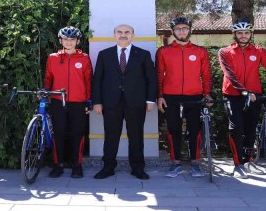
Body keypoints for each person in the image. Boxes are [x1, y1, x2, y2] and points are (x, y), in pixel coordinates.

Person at [218, 18, 266, 179]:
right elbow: (229, 75)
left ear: (251, 34)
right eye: (240, 33)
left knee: (251, 129)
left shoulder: (259, 51)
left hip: (254, 95)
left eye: (246, 32)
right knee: (237, 128)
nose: (243, 36)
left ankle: (248, 160)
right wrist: (244, 91)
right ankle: (238, 165)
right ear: (234, 34)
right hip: (232, 95)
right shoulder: (225, 52)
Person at [92, 24, 157, 180]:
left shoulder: (143, 54)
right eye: (119, 32)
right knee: (110, 136)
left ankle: (137, 168)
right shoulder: (104, 54)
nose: (123, 34)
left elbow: (151, 80)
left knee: (136, 136)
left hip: (136, 102)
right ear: (114, 34)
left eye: (127, 32)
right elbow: (97, 80)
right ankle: (108, 167)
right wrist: (97, 101)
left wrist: (150, 100)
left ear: (133, 35)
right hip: (110, 102)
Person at [156, 16, 213, 178]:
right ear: (173, 32)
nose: (181, 31)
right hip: (170, 96)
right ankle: (175, 163)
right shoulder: (163, 51)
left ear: (190, 30)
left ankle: (195, 163)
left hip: (195, 96)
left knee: (195, 130)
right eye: (178, 29)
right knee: (173, 130)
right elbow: (159, 75)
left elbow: (207, 75)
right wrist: (159, 96)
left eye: (184, 28)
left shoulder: (200, 51)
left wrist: (207, 94)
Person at [43, 26, 92, 179]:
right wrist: (45, 90)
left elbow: (89, 80)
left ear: (77, 41)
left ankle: (77, 166)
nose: (69, 42)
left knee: (77, 134)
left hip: (78, 102)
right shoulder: (53, 58)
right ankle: (58, 165)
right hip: (58, 100)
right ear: (60, 40)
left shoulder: (84, 58)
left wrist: (89, 100)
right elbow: (48, 78)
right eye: (65, 39)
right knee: (58, 133)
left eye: (72, 39)